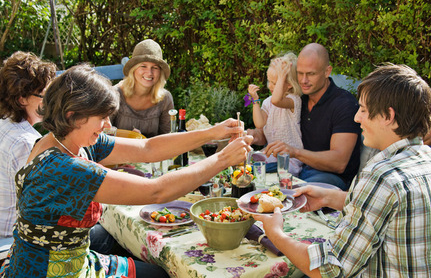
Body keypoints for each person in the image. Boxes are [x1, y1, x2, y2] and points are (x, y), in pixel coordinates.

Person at [0, 64, 252, 277]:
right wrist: (221, 160)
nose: (109, 125)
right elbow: (157, 192)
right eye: (102, 117)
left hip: (72, 258)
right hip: (50, 271)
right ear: (73, 115)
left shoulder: (65, 140)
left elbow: (146, 148)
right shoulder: (64, 168)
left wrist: (213, 132)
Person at [254, 64, 431, 277]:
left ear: (388, 116)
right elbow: (392, 210)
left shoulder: (383, 176)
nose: (356, 117)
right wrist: (330, 197)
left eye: (363, 109)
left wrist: (276, 234)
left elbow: (330, 269)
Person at [250, 43, 361, 191]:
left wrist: (295, 152)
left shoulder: (344, 104)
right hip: (298, 169)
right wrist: (252, 136)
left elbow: (339, 163)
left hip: (330, 177)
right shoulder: (299, 98)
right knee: (253, 181)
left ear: (327, 71)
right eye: (300, 73)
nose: (303, 80)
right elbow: (270, 132)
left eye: (311, 74)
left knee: (293, 194)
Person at [0, 52, 56, 240]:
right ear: (21, 99)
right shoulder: (26, 142)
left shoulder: (4, 125)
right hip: (12, 240)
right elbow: (44, 207)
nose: (50, 102)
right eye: (44, 95)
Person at [248, 52, 303, 176]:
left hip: (291, 158)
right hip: (271, 155)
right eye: (269, 81)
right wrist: (255, 100)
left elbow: (277, 100)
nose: (269, 86)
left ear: (289, 84)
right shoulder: (268, 102)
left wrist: (283, 75)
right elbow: (260, 123)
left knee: (273, 170)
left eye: (275, 82)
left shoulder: (294, 100)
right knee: (250, 160)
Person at [111, 39, 174, 137]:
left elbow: (167, 137)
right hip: (117, 151)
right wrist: (129, 137)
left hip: (152, 151)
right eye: (143, 66)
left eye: (155, 68)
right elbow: (102, 135)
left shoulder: (165, 99)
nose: (149, 73)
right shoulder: (114, 94)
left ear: (160, 72)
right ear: (133, 69)